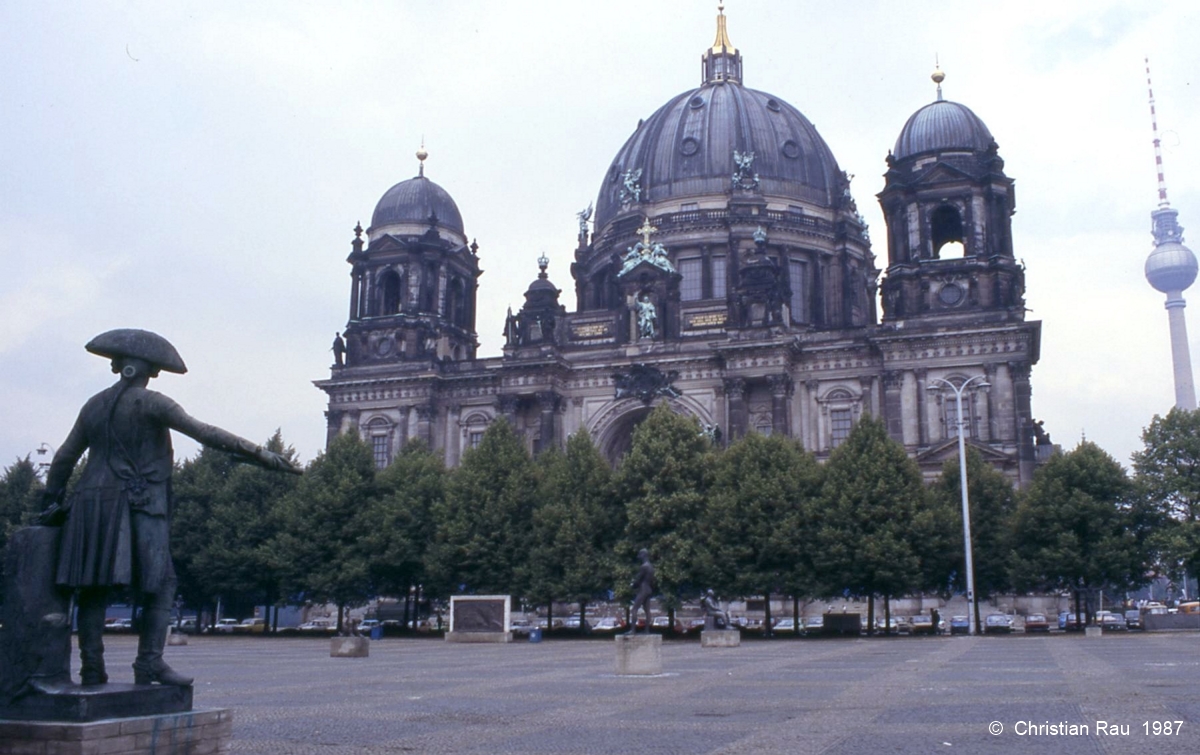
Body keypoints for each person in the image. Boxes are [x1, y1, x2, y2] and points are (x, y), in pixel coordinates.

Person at [39, 329, 300, 688]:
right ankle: (149, 664)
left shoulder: (94, 405)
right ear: (145, 369)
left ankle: (91, 669)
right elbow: (204, 432)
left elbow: (65, 456)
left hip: (89, 502)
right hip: (138, 502)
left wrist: (49, 501)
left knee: (93, 588)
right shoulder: (153, 403)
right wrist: (259, 452)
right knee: (161, 584)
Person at [625, 549, 655, 634]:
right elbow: (652, 581)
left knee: (634, 609)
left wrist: (632, 585)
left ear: (643, 555)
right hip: (649, 589)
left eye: (640, 555)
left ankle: (633, 630)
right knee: (647, 610)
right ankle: (647, 630)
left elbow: (638, 579)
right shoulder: (651, 567)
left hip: (643, 589)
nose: (639, 557)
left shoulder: (644, 566)